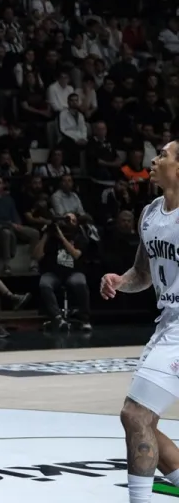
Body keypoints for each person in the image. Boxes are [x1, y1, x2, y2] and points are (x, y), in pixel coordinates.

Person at [102, 140, 179, 503]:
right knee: (141, 422)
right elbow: (142, 273)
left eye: (163, 154)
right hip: (167, 324)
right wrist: (120, 281)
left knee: (135, 415)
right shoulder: (149, 213)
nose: (154, 158)